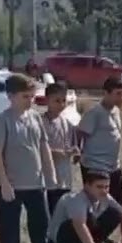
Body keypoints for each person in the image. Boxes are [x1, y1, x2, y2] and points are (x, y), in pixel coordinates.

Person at [0, 73, 59, 243]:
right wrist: (4, 183)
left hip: (35, 182)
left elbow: (43, 146)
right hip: (12, 184)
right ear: (11, 96)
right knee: (10, 228)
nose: (30, 101)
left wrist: (50, 174)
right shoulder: (2, 121)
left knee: (41, 223)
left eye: (32, 96)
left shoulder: (35, 117)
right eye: (25, 97)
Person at [46, 169, 122, 243]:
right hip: (62, 237)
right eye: (99, 187)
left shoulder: (104, 196)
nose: (104, 191)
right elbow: (79, 225)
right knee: (87, 218)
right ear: (87, 186)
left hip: (82, 233)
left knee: (115, 213)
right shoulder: (76, 199)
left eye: (106, 187)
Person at [77, 76, 122, 205]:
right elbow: (80, 134)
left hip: (114, 166)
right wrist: (78, 153)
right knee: (97, 205)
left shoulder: (116, 110)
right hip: (96, 166)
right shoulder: (95, 113)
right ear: (106, 93)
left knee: (117, 203)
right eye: (118, 94)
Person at [41, 81, 77, 214]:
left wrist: (74, 151)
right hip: (48, 178)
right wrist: (56, 153)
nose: (61, 105)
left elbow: (69, 144)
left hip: (64, 176)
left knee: (63, 212)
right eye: (57, 101)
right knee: (50, 212)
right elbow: (37, 149)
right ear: (47, 100)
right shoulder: (41, 123)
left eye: (63, 101)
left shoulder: (65, 122)